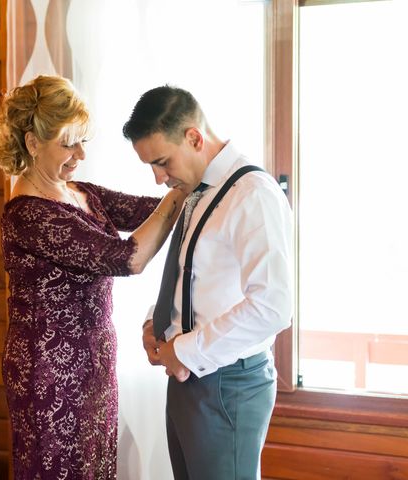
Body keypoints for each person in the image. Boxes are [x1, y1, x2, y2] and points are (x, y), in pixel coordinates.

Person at [0, 75, 187, 479]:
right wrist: (179, 192)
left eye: (84, 141)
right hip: (47, 374)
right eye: (68, 142)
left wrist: (194, 189)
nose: (80, 153)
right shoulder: (28, 214)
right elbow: (127, 257)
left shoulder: (80, 191)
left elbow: (150, 212)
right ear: (32, 143)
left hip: (95, 362)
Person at [123, 85, 294, 480]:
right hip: (188, 377)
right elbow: (193, 277)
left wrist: (186, 350)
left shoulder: (251, 194)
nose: (157, 178)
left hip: (227, 384)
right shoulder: (196, 191)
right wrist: (156, 321)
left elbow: (272, 305)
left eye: (162, 162)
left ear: (194, 137)